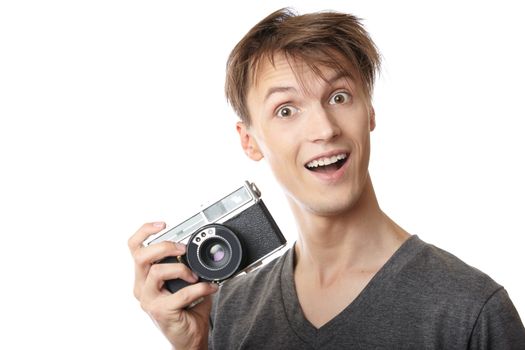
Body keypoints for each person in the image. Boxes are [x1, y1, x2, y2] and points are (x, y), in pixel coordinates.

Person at [128, 8, 525, 349]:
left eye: (339, 97)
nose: (324, 128)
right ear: (250, 141)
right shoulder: (231, 309)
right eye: (286, 110)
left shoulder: (470, 310)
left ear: (369, 112)